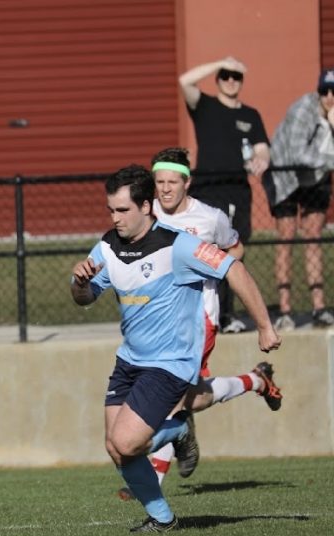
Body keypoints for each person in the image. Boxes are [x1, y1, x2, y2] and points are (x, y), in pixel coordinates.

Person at [71, 165, 281, 532]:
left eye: (123, 210)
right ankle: (162, 520)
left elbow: (234, 269)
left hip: (169, 362)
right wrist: (79, 282)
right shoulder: (108, 246)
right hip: (129, 359)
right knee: (115, 447)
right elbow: (85, 298)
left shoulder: (177, 244)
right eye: (110, 210)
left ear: (147, 207)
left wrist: (264, 326)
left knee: (127, 441)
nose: (114, 218)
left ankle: (179, 431)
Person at [115, 149, 284, 501]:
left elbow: (235, 251)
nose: (164, 190)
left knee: (172, 400)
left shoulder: (210, 218)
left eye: (171, 183)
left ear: (186, 182)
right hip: (154, 323)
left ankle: (151, 483)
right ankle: (256, 380)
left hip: (198, 319)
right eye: (158, 182)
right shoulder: (146, 213)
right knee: (188, 398)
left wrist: (208, 265)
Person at [180, 57, 271, 334]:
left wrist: (261, 159)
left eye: (236, 77)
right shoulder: (205, 106)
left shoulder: (250, 115)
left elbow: (262, 148)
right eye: (226, 76)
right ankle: (201, 313)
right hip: (208, 189)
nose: (231, 81)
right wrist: (221, 61)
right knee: (203, 251)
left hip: (237, 191)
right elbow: (185, 81)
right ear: (218, 79)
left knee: (233, 252)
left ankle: (227, 313)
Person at [266, 67, 334, 330]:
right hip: (286, 176)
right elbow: (297, 156)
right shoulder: (302, 111)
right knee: (286, 238)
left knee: (313, 238)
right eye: (324, 91)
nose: (329, 96)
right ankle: (285, 311)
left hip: (316, 178)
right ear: (317, 91)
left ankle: (319, 308)